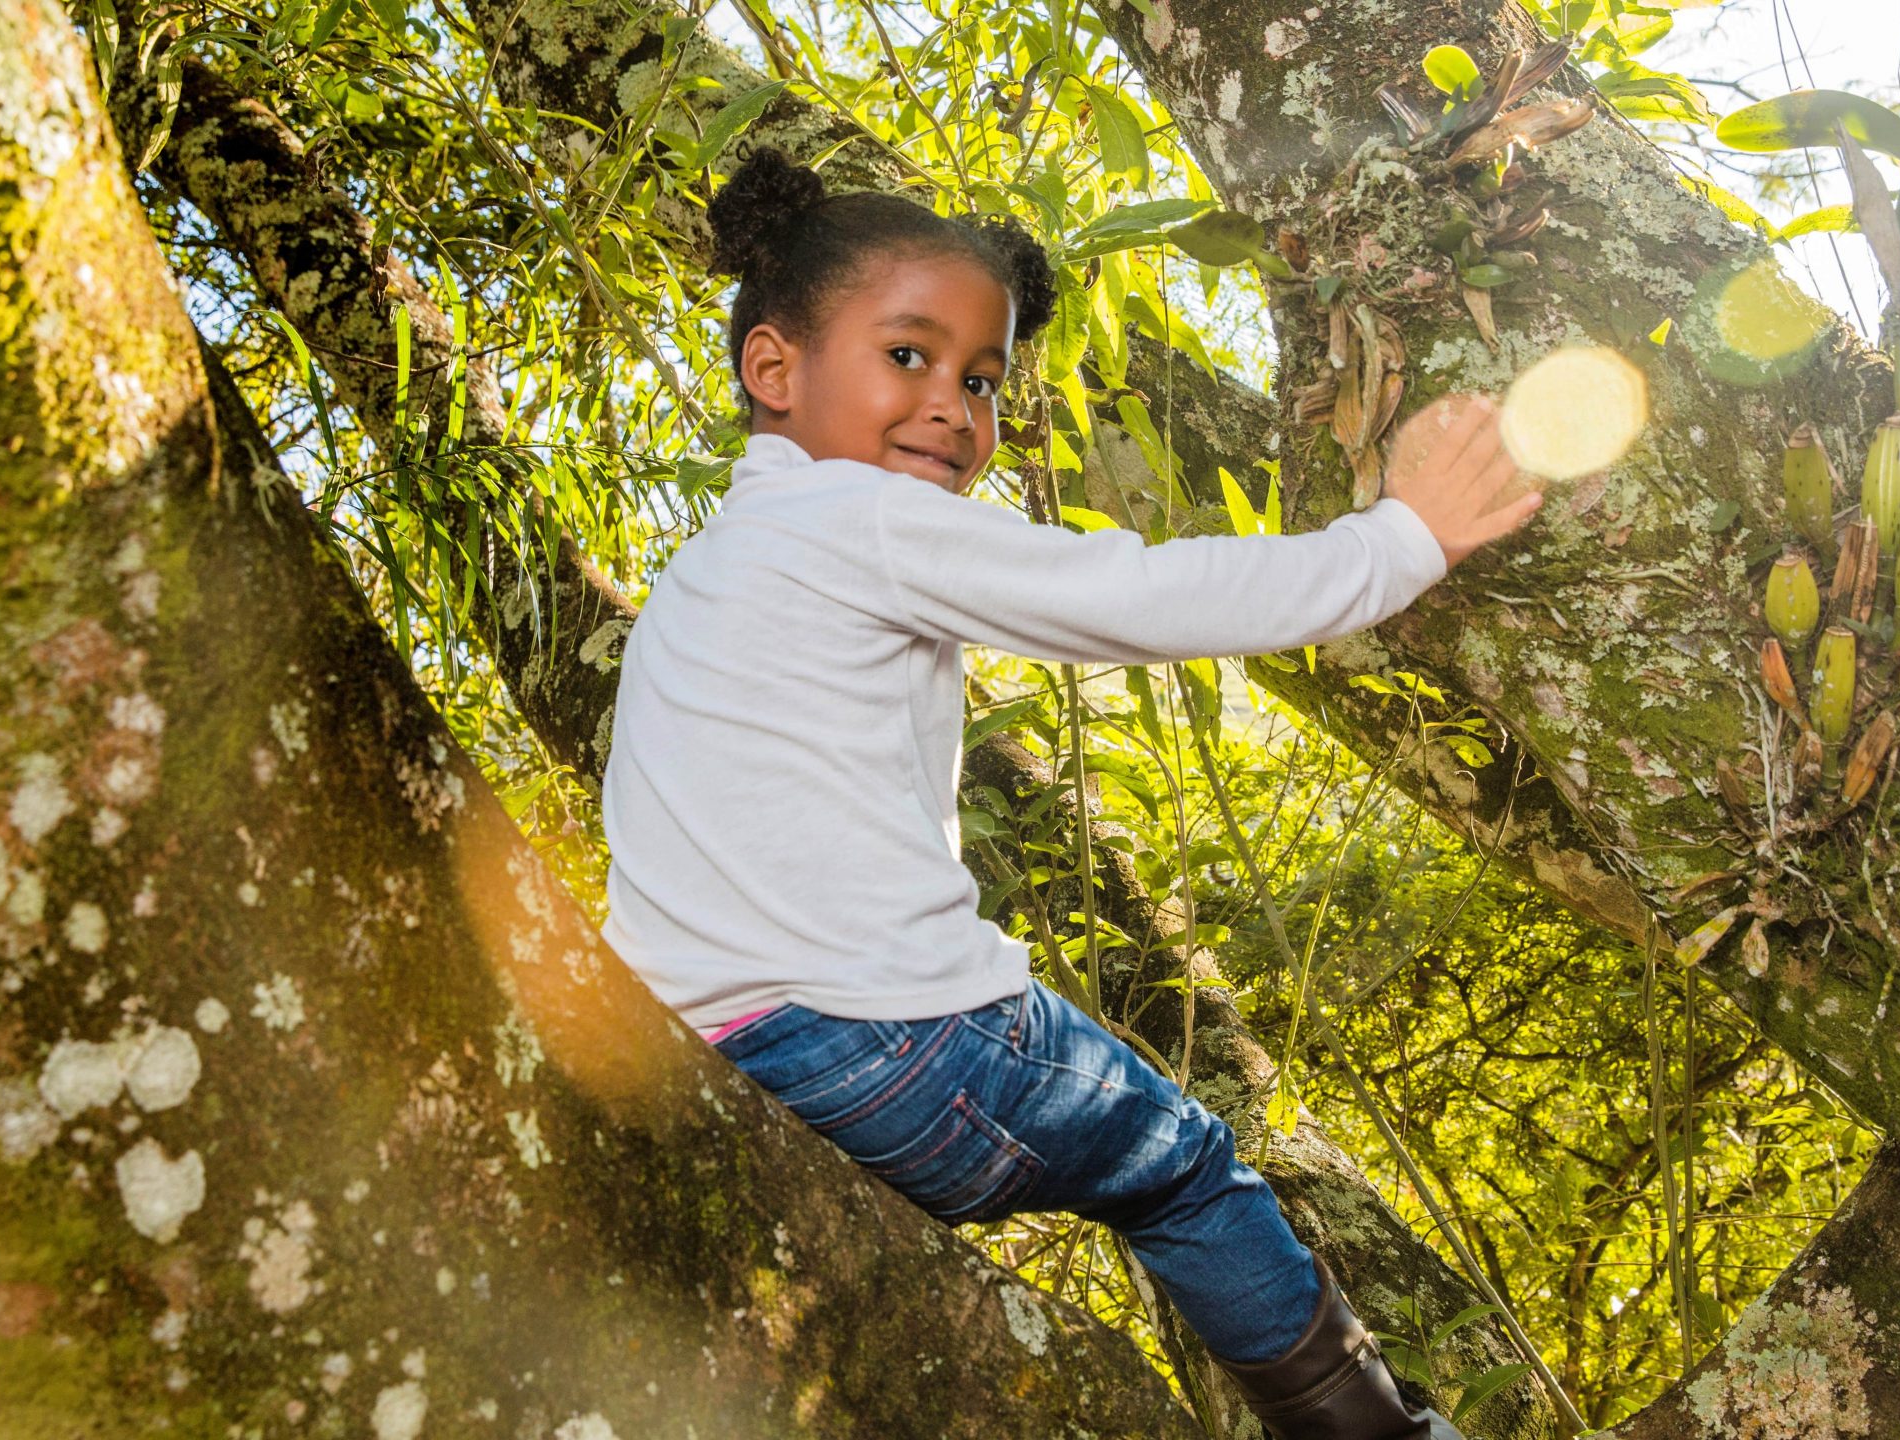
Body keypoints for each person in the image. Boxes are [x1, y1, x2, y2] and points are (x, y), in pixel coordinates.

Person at [600, 147, 1539, 1440]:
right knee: (1186, 1173)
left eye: (982, 380)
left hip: (721, 1060)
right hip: (904, 1043)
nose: (955, 409)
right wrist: (1402, 542)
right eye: (911, 357)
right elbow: (1137, 598)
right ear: (775, 370)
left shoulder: (692, 590)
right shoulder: (863, 521)